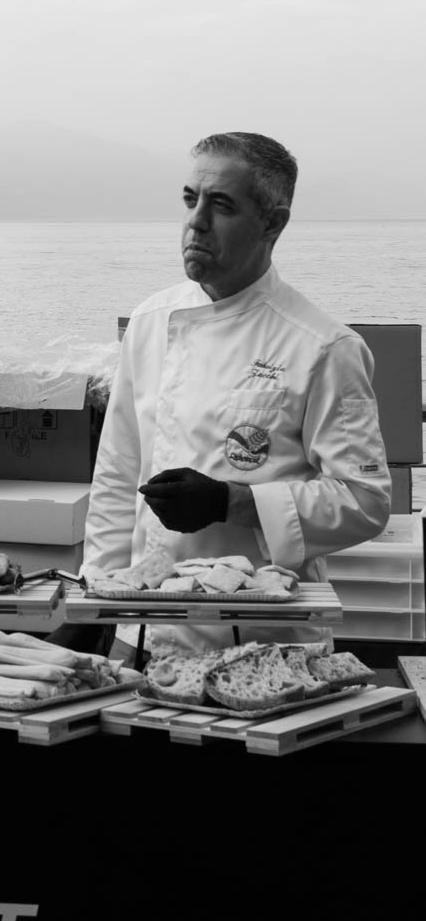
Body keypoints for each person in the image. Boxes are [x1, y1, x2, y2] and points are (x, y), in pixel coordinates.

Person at [70, 131, 391, 656]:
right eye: (190, 200)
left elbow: (365, 500)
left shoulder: (324, 346)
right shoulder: (151, 321)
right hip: (144, 628)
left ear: (273, 223)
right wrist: (97, 604)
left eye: (221, 205)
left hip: (266, 639)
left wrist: (233, 502)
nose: (196, 222)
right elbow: (117, 476)